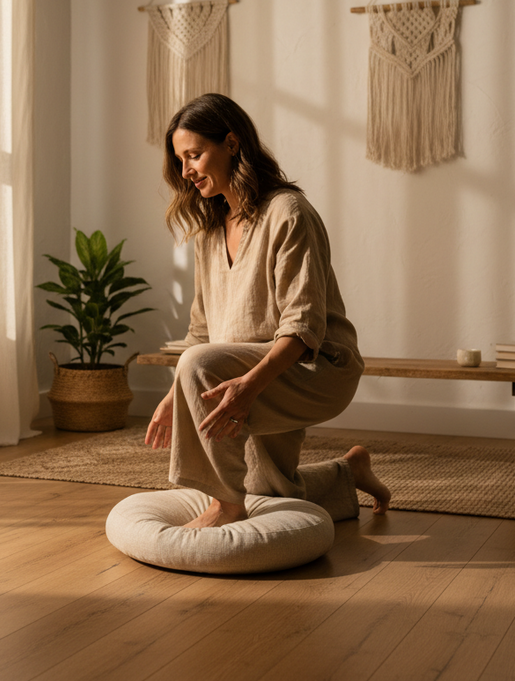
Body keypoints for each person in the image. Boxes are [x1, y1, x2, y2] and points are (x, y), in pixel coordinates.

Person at [144, 93, 391, 528]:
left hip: (313, 369)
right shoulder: (208, 232)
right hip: (245, 369)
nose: (186, 172)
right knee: (269, 489)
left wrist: (247, 388)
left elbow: (302, 326)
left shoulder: (288, 213)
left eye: (195, 155)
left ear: (233, 144)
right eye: (179, 160)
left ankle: (225, 505)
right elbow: (201, 331)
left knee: (200, 367)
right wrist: (173, 396)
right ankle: (348, 472)